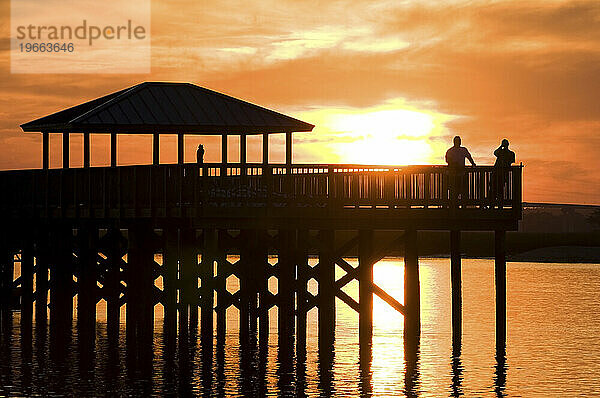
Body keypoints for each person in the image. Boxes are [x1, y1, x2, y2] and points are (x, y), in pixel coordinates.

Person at [445, 136, 475, 204]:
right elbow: (448, 160)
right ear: (454, 142)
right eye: (458, 141)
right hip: (453, 175)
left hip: (461, 174)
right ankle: (455, 204)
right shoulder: (451, 151)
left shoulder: (462, 150)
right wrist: (455, 164)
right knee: (454, 191)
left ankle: (458, 204)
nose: (459, 142)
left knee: (460, 191)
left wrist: (473, 164)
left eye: (459, 140)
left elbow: (469, 157)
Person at [491, 139, 515, 205]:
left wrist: (501, 147)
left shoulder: (511, 153)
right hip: (496, 174)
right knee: (494, 189)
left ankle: (497, 203)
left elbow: (511, 162)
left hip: (502, 174)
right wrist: (501, 147)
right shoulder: (501, 152)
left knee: (500, 189)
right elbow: (495, 153)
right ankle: (494, 203)